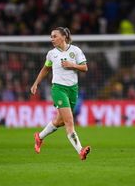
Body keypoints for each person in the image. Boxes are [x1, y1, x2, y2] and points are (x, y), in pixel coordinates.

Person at [30, 27, 91, 160]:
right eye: (51, 37)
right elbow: (45, 69)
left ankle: (39, 137)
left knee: (60, 121)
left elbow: (85, 67)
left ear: (63, 37)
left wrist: (72, 65)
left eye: (54, 36)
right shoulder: (52, 54)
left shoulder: (75, 51)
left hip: (73, 89)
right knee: (69, 122)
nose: (52, 39)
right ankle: (81, 151)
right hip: (58, 89)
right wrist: (36, 83)